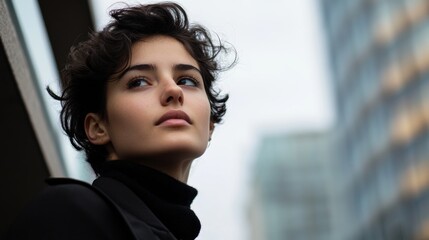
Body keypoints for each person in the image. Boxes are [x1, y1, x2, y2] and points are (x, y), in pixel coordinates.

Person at [6, 2, 235, 240]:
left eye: (187, 81)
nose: (173, 90)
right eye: (139, 82)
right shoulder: (70, 211)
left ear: (210, 125)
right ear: (98, 127)